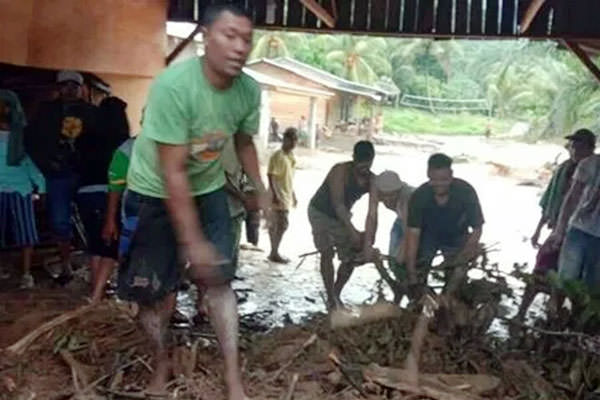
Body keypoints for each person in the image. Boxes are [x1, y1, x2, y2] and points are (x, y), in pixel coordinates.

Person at [117, 5, 265, 399]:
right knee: (153, 293)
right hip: (153, 191)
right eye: (229, 35)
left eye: (246, 39)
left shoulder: (249, 91)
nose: (239, 47)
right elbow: (173, 174)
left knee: (218, 282)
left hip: (208, 188)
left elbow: (244, 141)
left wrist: (258, 187)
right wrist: (193, 241)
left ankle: (233, 380)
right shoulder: (174, 87)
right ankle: (162, 364)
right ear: (205, 36)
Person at [514, 130, 595, 322]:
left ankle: (558, 320)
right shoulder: (564, 170)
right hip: (558, 231)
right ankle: (521, 314)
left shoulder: (593, 172)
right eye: (572, 146)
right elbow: (552, 200)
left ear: (590, 149)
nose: (574, 151)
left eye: (579, 146)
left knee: (571, 282)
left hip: (582, 234)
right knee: (540, 272)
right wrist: (538, 229)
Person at [25, 70, 98, 283]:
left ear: (81, 88)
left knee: (92, 220)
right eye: (65, 85)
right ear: (58, 88)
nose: (70, 89)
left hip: (87, 175)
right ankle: (66, 266)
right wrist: (47, 164)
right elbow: (32, 141)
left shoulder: (91, 112)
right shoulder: (46, 112)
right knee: (59, 222)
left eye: (74, 85)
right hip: (57, 174)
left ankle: (94, 269)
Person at [308, 141, 378, 309]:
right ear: (353, 158)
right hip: (320, 212)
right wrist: (352, 232)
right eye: (360, 162)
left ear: (372, 160)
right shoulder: (340, 171)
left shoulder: (373, 180)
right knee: (327, 253)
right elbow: (338, 204)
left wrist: (368, 241)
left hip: (342, 217)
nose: (363, 167)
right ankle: (331, 298)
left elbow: (372, 213)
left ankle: (336, 293)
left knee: (352, 256)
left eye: (367, 163)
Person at [405, 153, 484, 295]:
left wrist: (464, 256)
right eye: (435, 179)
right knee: (419, 274)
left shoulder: (466, 192)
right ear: (428, 174)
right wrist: (411, 274)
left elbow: (477, 228)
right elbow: (413, 236)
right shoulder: (419, 197)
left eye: (444, 179)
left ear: (451, 175)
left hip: (457, 235)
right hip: (428, 236)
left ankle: (448, 299)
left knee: (456, 279)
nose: (439, 184)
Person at [75, 96, 129, 303]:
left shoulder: (84, 138)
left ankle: (96, 287)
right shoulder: (122, 141)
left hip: (84, 194)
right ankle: (97, 291)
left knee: (94, 242)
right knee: (109, 244)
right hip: (108, 193)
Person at [0, 90, 46, 288]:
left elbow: (28, 163)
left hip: (21, 189)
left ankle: (26, 275)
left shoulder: (20, 135)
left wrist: (41, 186)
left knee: (26, 234)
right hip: (7, 188)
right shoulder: (18, 135)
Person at [548, 131, 599, 289]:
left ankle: (574, 312)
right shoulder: (590, 164)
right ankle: (557, 310)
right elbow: (571, 198)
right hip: (580, 228)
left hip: (587, 232)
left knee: (591, 285)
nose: (574, 151)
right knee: (566, 279)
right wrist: (559, 230)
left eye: (579, 146)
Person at [374, 170, 414, 301]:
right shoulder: (381, 195)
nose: (388, 199)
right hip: (402, 220)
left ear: (399, 190)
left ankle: (408, 288)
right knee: (394, 259)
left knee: (401, 258)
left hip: (419, 223)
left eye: (391, 195)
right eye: (384, 196)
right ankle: (400, 285)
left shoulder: (407, 199)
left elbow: (409, 231)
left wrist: (401, 254)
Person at [268, 127, 298, 263]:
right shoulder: (278, 156)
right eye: (291, 140)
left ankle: (274, 251)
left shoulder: (291, 157)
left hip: (286, 195)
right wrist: (275, 194)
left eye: (295, 141)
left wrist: (294, 194)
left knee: (278, 224)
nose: (293, 144)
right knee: (281, 224)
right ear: (285, 140)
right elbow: (271, 176)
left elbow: (290, 178)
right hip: (278, 195)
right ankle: (274, 252)